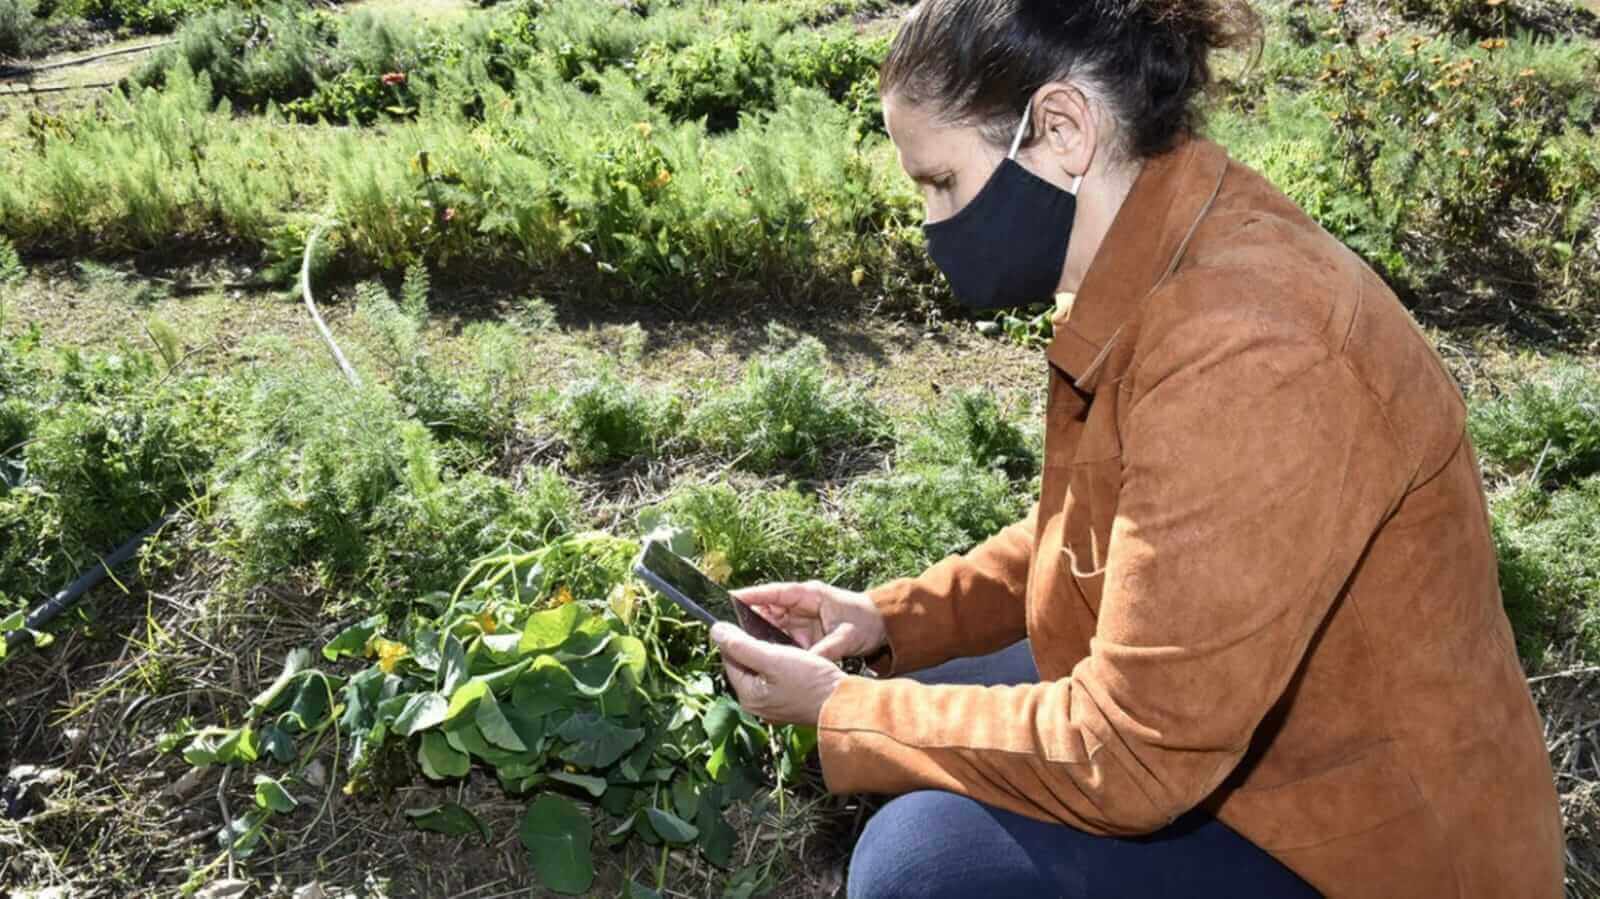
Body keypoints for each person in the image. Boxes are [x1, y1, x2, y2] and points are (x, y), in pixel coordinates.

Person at [707, 0, 1567, 896]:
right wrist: (893, 621)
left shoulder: (1252, 348)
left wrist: (845, 710)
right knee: (936, 676)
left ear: (1063, 128)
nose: (935, 225)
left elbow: (1132, 751)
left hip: (1374, 855)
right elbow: (1098, 529)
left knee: (922, 864)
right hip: (1263, 758)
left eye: (943, 184)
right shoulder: (1158, 244)